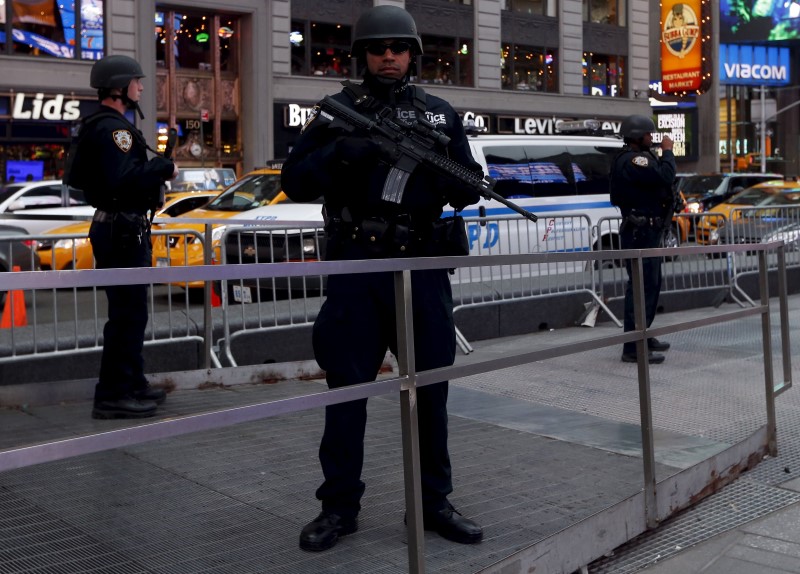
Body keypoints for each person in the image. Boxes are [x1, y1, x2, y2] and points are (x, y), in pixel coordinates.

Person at [281, 4, 484, 553]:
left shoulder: (439, 114)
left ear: (413, 55)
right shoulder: (338, 114)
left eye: (398, 48)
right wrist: (341, 156)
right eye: (377, 49)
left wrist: (454, 175)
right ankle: (338, 507)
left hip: (419, 266)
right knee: (347, 389)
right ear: (362, 56)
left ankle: (433, 502)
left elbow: (469, 185)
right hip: (358, 266)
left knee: (430, 389)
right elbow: (294, 181)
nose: (388, 56)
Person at [66, 55, 178, 419]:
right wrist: (162, 167)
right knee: (128, 315)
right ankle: (114, 394)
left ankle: (130, 382)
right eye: (136, 81)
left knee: (131, 313)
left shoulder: (98, 124)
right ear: (119, 87)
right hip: (122, 230)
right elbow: (123, 179)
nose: (141, 87)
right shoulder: (116, 130)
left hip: (116, 227)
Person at [610, 115, 676, 364]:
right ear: (637, 136)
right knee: (640, 287)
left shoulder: (638, 158)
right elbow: (665, 176)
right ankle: (632, 347)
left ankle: (643, 336)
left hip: (646, 230)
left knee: (651, 285)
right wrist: (668, 153)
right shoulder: (635, 160)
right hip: (640, 232)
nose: (652, 138)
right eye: (648, 134)